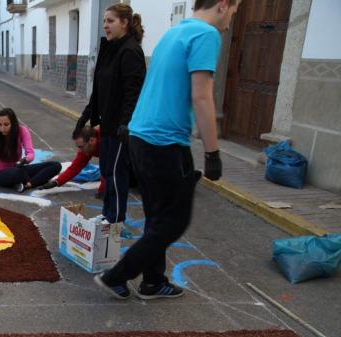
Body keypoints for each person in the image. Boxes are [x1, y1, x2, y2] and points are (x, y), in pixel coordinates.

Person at [94, 0, 237, 301]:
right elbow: (202, 96)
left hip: (141, 136)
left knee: (157, 217)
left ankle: (153, 281)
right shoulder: (206, 35)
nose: (231, 19)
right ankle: (116, 276)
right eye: (234, 11)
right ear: (223, 5)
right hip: (164, 141)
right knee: (173, 221)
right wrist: (212, 153)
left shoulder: (175, 32)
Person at [75, 3, 145, 224]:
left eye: (111, 21)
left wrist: (126, 123)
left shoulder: (130, 51)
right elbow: (99, 90)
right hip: (106, 123)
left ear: (124, 23)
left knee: (116, 173)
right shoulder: (110, 48)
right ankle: (108, 213)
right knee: (106, 170)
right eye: (104, 21)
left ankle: (116, 219)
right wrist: (86, 115)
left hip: (119, 126)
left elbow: (133, 92)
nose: (105, 25)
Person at [0, 108, 62, 192]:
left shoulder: (22, 131)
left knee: (56, 165)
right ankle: (35, 181)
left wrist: (25, 160)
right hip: (0, 175)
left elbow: (30, 153)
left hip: (18, 168)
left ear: (13, 123)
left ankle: (28, 184)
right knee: (20, 173)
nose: (2, 128)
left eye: (6, 124)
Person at [37, 125, 101, 189]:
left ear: (91, 140)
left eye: (81, 147)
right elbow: (75, 167)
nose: (80, 150)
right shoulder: (87, 146)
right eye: (78, 147)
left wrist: (102, 190)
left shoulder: (106, 142)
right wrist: (56, 182)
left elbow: (107, 169)